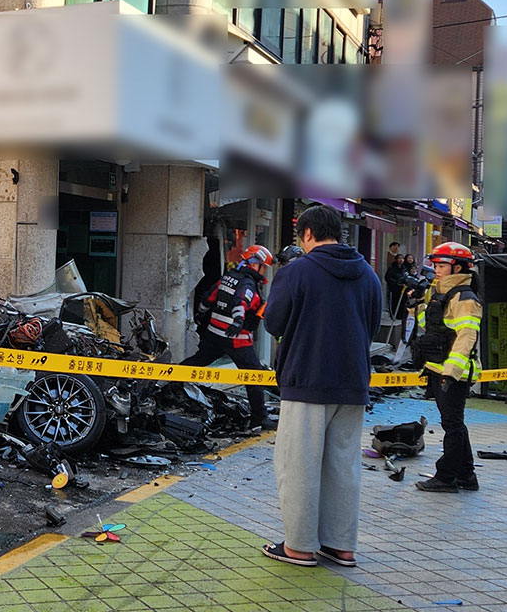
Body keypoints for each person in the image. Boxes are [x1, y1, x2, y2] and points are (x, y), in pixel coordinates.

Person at [259, 204, 382, 567]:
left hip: (306, 382)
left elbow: (273, 323)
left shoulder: (296, 272)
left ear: (307, 233)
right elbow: (372, 327)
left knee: (299, 465)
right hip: (353, 383)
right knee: (343, 466)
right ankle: (341, 545)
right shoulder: (369, 275)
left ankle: (299, 546)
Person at [411, 242, 483, 493]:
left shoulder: (465, 297)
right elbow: (432, 326)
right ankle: (466, 476)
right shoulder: (442, 294)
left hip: (453, 372)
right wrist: (417, 304)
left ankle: (446, 477)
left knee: (452, 425)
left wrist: (451, 372)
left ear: (459, 268)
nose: (436, 270)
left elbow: (466, 336)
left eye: (442, 265)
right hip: (438, 367)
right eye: (436, 265)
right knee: (454, 423)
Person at [185, 244, 276, 430]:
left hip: (214, 334)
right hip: (236, 338)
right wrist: (237, 321)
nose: (264, 270)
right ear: (254, 263)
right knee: (255, 375)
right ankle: (259, 417)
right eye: (263, 266)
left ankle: (166, 381)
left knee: (196, 362)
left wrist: (200, 315)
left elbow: (208, 297)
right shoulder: (248, 283)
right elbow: (241, 302)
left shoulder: (228, 277)